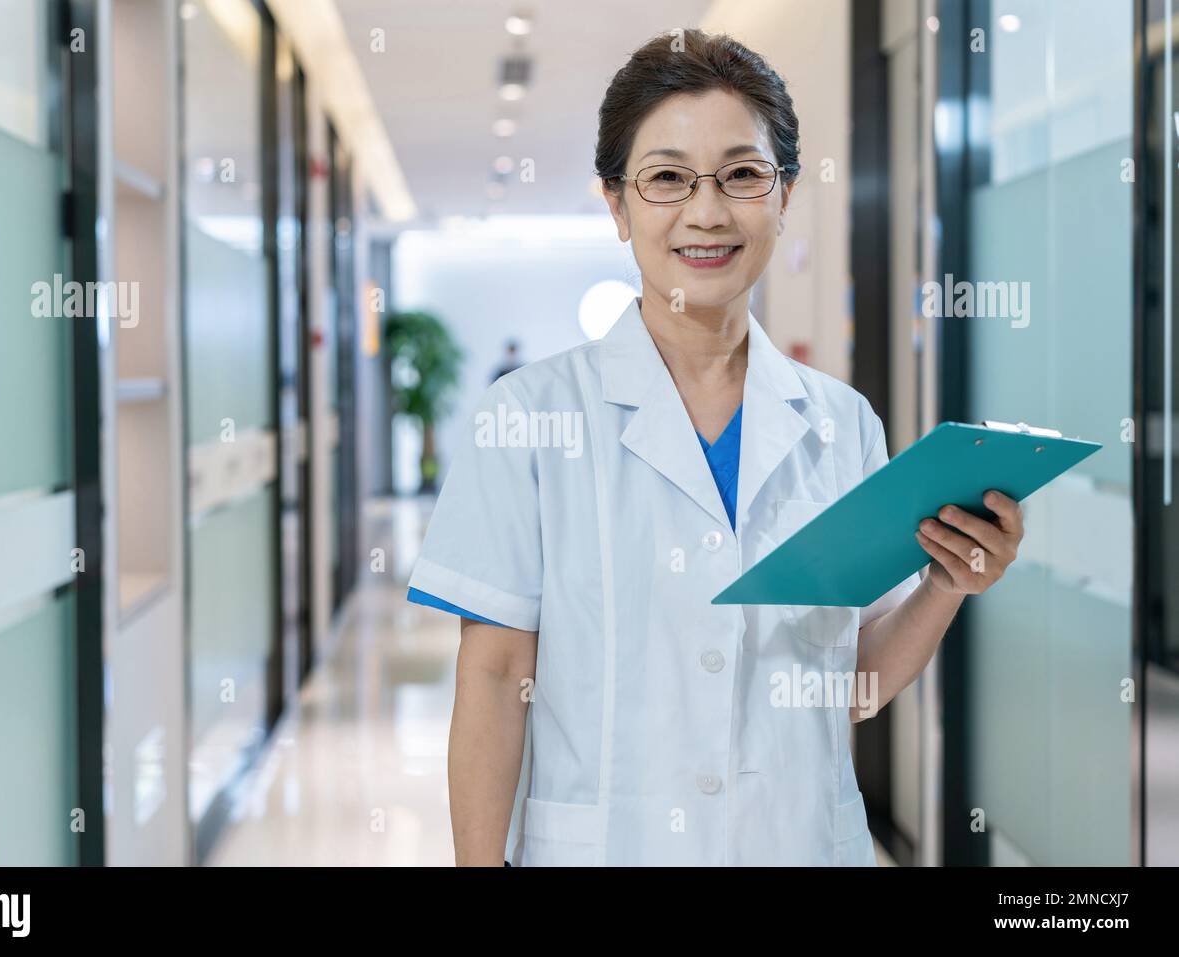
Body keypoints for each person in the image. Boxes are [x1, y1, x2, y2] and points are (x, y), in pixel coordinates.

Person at [407, 30, 1025, 866]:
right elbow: (492, 678)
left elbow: (853, 682)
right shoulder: (528, 416)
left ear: (784, 196)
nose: (707, 212)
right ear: (618, 206)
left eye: (742, 174)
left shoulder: (842, 424)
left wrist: (950, 584)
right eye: (666, 178)